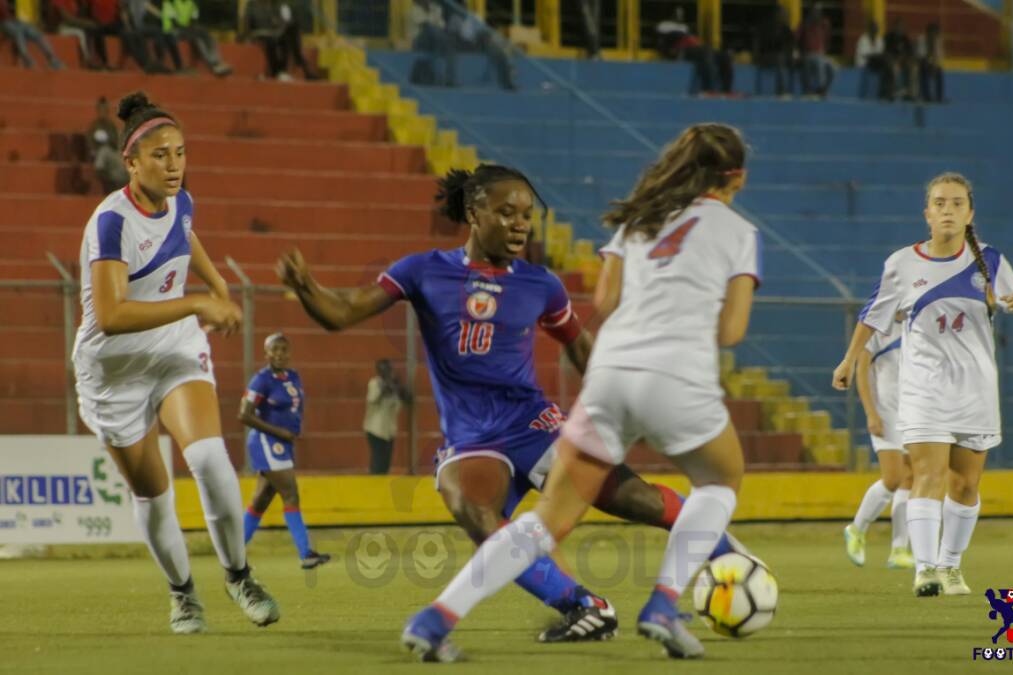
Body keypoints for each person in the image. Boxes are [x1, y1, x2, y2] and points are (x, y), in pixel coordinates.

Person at [278, 163, 748, 646]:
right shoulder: (421, 271)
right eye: (506, 212)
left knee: (638, 501)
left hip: (536, 427)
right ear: (474, 212)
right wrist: (306, 288)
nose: (521, 223)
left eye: (527, 214)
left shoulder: (541, 284)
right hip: (474, 437)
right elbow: (343, 311)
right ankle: (585, 607)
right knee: (472, 507)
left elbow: (585, 353)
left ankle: (733, 558)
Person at [401, 124, 759, 661]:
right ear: (738, 176)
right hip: (675, 369)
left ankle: (435, 619)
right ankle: (663, 604)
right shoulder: (737, 230)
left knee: (545, 520)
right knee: (720, 481)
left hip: (611, 371)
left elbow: (607, 296)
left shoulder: (641, 216)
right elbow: (730, 332)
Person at [72, 91, 279, 633]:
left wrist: (216, 283)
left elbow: (184, 233)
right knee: (154, 493)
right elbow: (113, 314)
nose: (174, 165)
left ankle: (239, 576)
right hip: (113, 370)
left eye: (181, 153)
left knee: (211, 460)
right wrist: (195, 300)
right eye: (161, 156)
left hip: (172, 349)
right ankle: (183, 593)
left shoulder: (180, 199)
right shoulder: (110, 223)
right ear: (131, 162)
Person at [832, 172, 1013, 597]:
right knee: (926, 475)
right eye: (940, 203)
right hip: (923, 389)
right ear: (927, 213)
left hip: (976, 391)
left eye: (957, 203)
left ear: (970, 213)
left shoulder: (990, 261)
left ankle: (951, 566)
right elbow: (872, 316)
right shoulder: (902, 264)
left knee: (966, 485)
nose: (948, 210)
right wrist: (850, 359)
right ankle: (925, 570)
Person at [240, 333, 330, 570]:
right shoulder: (261, 380)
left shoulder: (293, 377)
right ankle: (306, 553)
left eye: (283, 349)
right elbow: (244, 415)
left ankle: (232, 552)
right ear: (266, 353)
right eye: (274, 349)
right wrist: (279, 432)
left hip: (283, 444)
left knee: (261, 500)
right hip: (267, 442)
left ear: (289, 353)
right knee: (291, 493)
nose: (279, 354)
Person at [843, 317, 914, 569]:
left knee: (910, 478)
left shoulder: (916, 324)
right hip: (885, 412)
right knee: (893, 477)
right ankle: (856, 529)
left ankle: (899, 550)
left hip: (912, 411)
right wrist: (871, 412)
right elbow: (861, 371)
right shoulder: (875, 328)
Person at [656, 6, 733, 96]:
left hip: (698, 48)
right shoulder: (663, 26)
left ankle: (726, 90)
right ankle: (707, 89)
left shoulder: (684, 27)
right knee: (704, 52)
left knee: (724, 56)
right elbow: (663, 44)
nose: (679, 16)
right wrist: (670, 53)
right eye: (676, 13)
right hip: (683, 51)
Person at [160, 0, 232, 76]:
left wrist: (192, 28)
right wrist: (190, 29)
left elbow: (193, 20)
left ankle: (217, 61)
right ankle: (213, 64)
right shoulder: (170, 2)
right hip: (172, 31)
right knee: (196, 38)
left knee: (206, 35)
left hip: (186, 29)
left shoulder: (192, 3)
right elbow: (173, 23)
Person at [364, 358, 409, 475]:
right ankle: (373, 484)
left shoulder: (394, 386)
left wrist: (399, 388)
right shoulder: (374, 383)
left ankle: (381, 484)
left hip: (389, 430)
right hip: (375, 429)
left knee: (386, 462)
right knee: (378, 460)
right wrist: (386, 386)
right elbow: (372, 399)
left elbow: (404, 400)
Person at [1, 0, 65, 69]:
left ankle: (53, 59)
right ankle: (26, 58)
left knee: (35, 33)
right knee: (18, 33)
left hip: (16, 21)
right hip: (3, 23)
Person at [87, 96, 128, 193]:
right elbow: (90, 145)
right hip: (99, 156)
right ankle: (102, 174)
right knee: (103, 151)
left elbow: (116, 142)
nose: (103, 112)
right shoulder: (94, 127)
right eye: (101, 109)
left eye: (105, 109)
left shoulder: (111, 126)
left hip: (112, 154)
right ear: (98, 110)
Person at [754, 4, 795, 96]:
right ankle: (781, 90)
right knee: (779, 58)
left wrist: (790, 54)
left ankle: (792, 90)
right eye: (781, 13)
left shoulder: (786, 29)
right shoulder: (766, 27)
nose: (783, 15)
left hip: (782, 57)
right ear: (776, 14)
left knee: (790, 61)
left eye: (784, 13)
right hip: (766, 57)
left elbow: (791, 44)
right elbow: (758, 44)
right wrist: (756, 56)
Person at [796, 2, 835, 98]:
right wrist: (800, 52)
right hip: (808, 54)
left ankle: (822, 89)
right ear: (811, 12)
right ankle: (820, 89)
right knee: (819, 62)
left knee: (832, 68)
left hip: (820, 55)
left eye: (819, 11)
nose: (816, 13)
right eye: (815, 11)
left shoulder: (824, 24)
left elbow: (828, 40)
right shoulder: (805, 23)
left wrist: (824, 51)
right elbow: (796, 38)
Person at [855, 19, 889, 99]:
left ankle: (885, 91)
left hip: (876, 63)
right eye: (873, 28)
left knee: (886, 65)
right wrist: (876, 56)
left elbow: (881, 54)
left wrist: (877, 56)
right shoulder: (863, 39)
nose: (875, 30)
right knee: (881, 62)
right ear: (869, 29)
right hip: (864, 63)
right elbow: (865, 55)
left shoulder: (879, 40)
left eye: (876, 28)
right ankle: (881, 92)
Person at [884, 17, 917, 100]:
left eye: (902, 26)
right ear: (894, 27)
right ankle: (895, 91)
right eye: (898, 26)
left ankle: (911, 94)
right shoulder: (888, 37)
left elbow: (910, 53)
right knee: (895, 67)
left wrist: (905, 58)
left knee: (914, 68)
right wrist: (896, 59)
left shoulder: (905, 38)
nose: (900, 28)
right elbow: (887, 52)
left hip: (904, 61)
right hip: (892, 61)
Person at [916, 22, 945, 103]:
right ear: (928, 32)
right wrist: (930, 63)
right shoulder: (921, 39)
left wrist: (934, 65)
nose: (934, 35)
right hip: (922, 63)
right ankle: (927, 96)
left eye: (936, 33)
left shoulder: (938, 42)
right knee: (924, 68)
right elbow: (921, 56)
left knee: (939, 71)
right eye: (933, 33)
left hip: (932, 64)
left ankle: (939, 97)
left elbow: (939, 58)